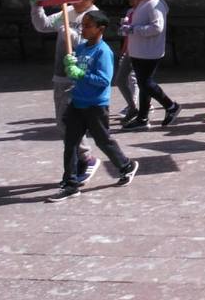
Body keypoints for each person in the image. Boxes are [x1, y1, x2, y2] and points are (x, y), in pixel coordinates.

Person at [49, 11, 140, 200]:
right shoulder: (81, 48)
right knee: (70, 143)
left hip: (95, 105)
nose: (83, 29)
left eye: (88, 26)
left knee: (103, 140)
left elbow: (104, 79)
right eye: (83, 25)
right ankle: (71, 183)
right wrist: (71, 65)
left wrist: (81, 74)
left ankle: (126, 165)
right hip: (77, 102)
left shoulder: (103, 51)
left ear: (101, 29)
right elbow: (77, 69)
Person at [31, 0, 101, 182]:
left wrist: (71, 35)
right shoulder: (67, 11)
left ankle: (86, 159)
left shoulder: (95, 16)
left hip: (79, 77)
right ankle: (81, 161)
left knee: (69, 124)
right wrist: (37, 7)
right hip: (61, 76)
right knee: (63, 124)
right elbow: (42, 25)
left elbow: (92, 44)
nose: (74, 0)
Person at [120, 0, 179, 130]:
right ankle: (143, 117)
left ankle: (171, 105)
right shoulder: (145, 3)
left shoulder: (155, 4)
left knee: (146, 83)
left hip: (149, 52)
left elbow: (156, 27)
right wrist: (129, 26)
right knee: (143, 84)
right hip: (139, 51)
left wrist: (134, 29)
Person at [115, 0, 141, 120]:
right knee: (122, 79)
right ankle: (134, 105)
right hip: (129, 49)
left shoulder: (142, 12)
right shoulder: (130, 12)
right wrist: (123, 49)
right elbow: (125, 34)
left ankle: (133, 105)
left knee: (133, 79)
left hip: (139, 51)